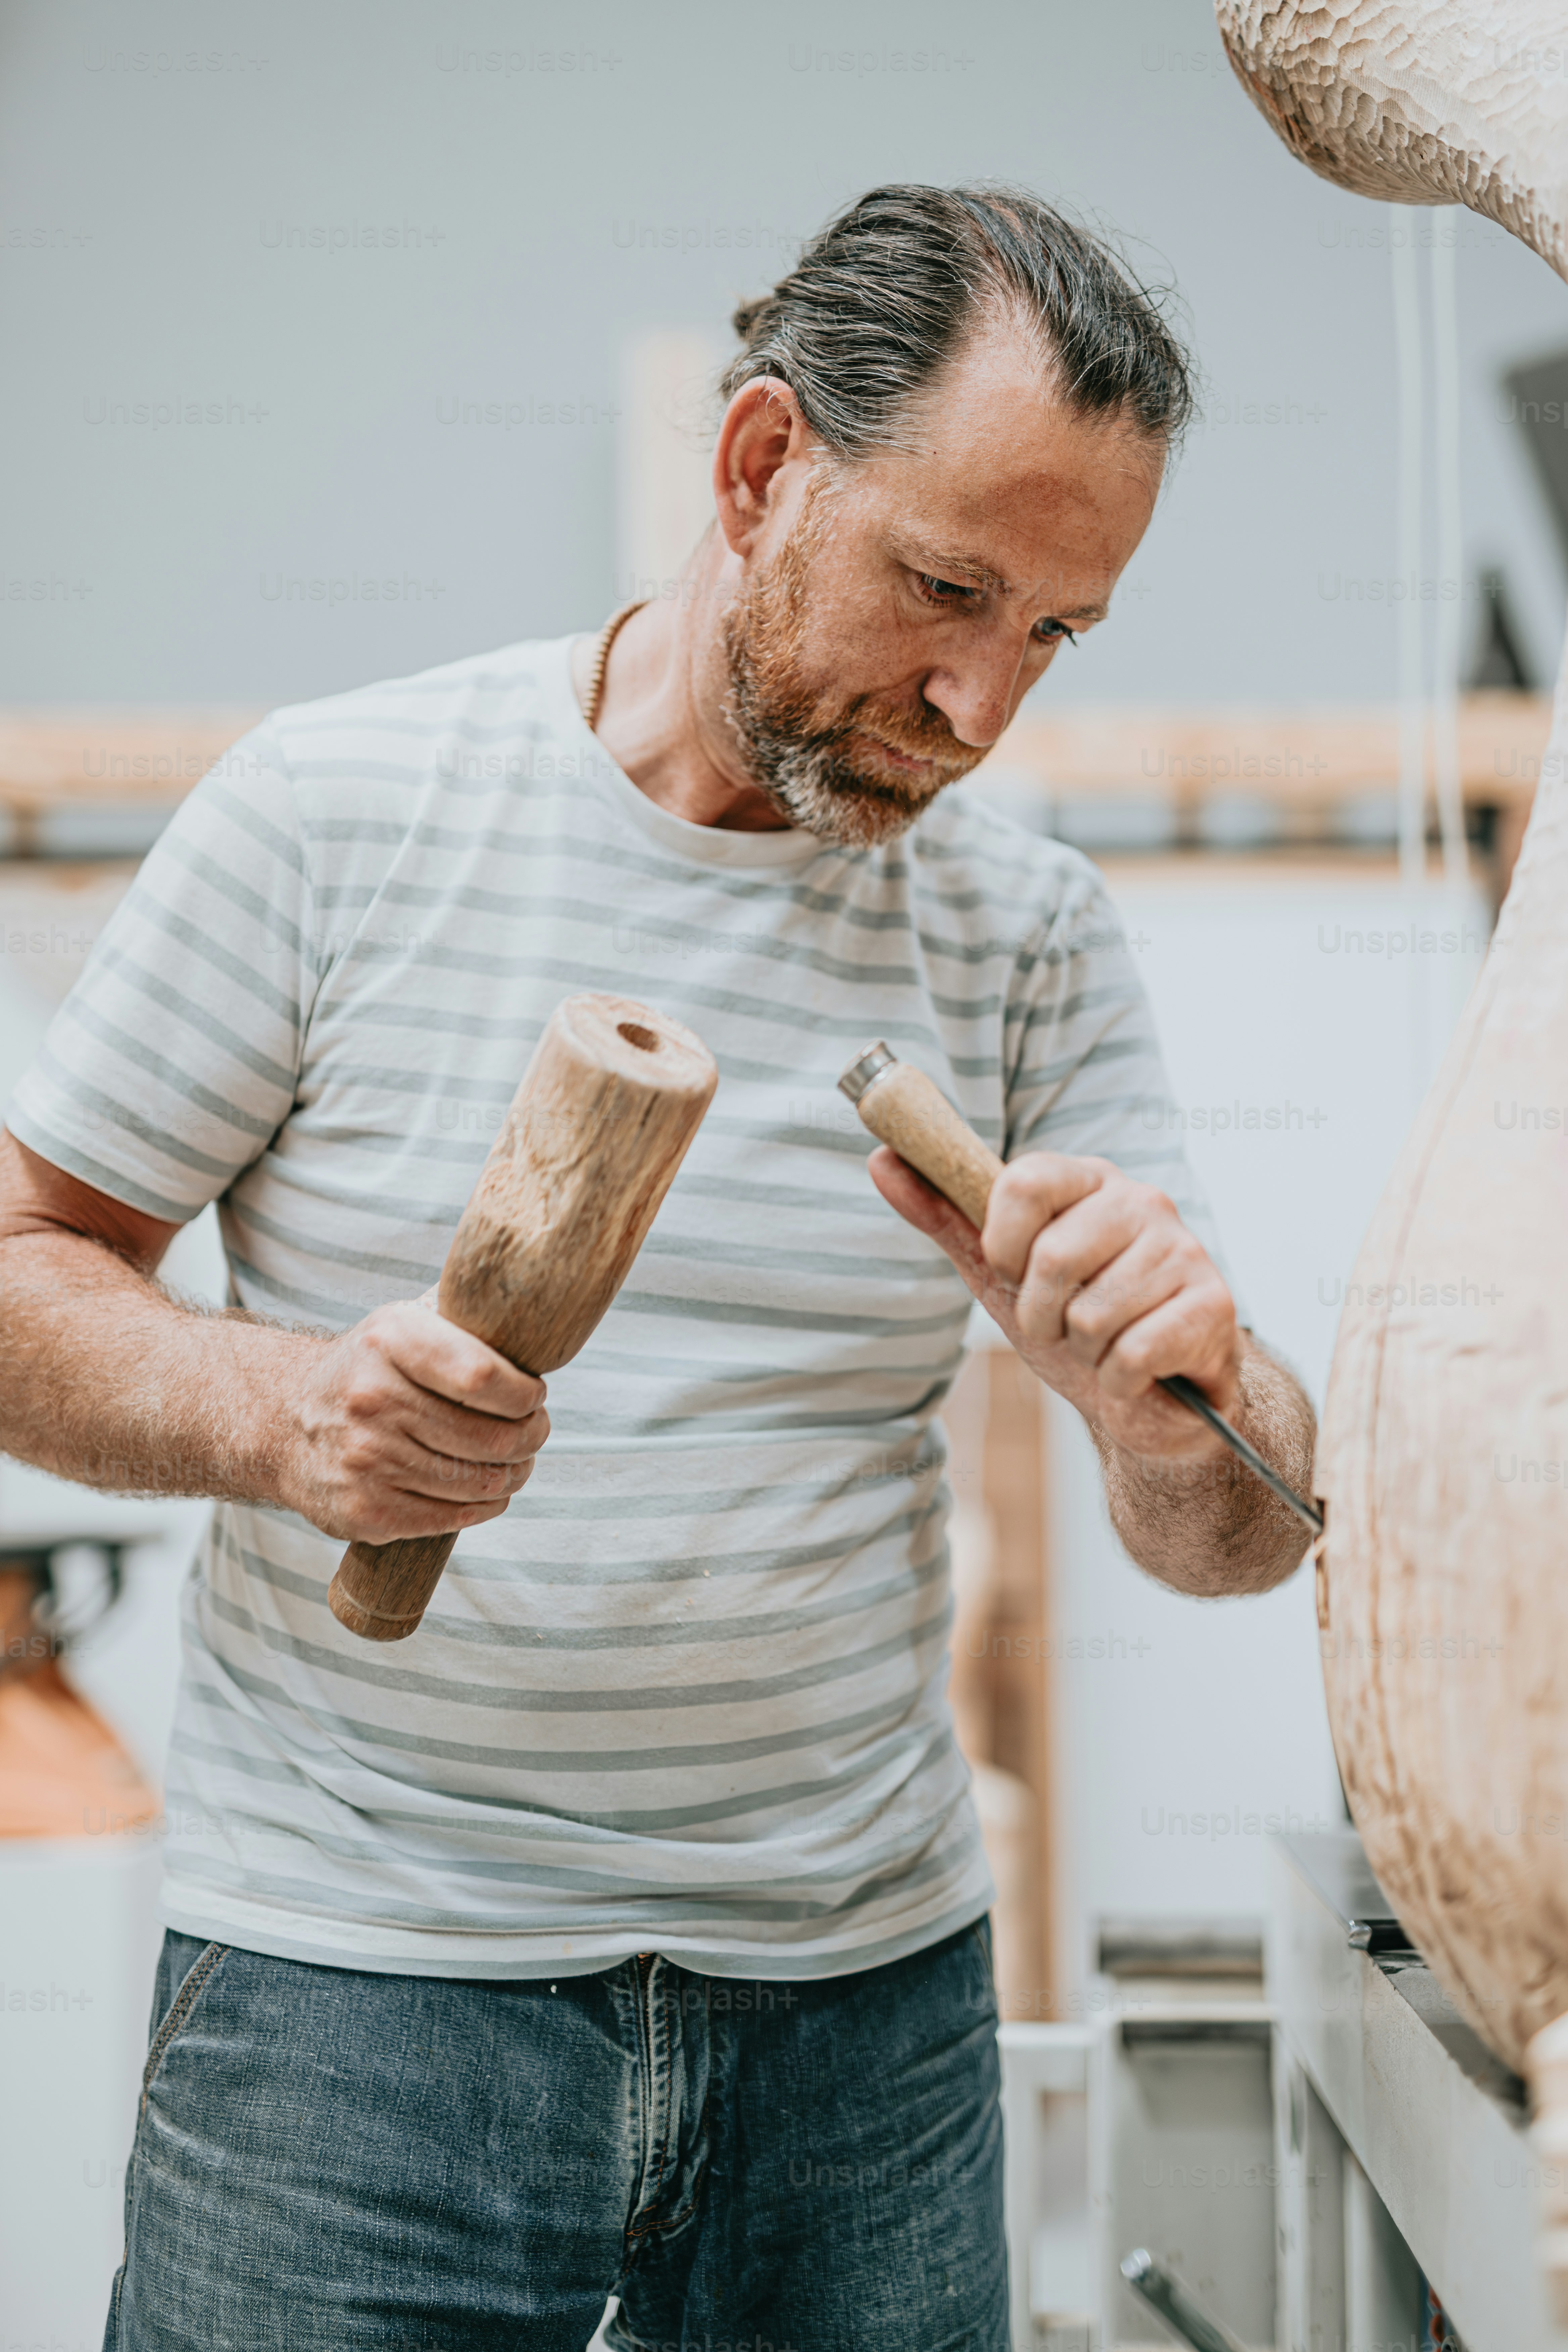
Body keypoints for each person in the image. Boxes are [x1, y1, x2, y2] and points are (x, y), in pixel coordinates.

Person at [0, 183, 1314, 2351]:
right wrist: (287, 1417)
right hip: (356, 2002)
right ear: (760, 463)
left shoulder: (1026, 931)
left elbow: (1238, 1534)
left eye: (1057, 634)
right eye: (945, 589)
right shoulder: (334, 814)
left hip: (863, 2032)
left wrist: (1184, 1397)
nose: (980, 702)